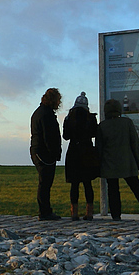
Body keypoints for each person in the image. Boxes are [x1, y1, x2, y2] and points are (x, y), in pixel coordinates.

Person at [97, 98, 139, 221]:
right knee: (136, 187)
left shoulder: (102, 126)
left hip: (109, 163)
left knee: (113, 190)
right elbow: (135, 143)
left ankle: (116, 215)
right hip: (127, 162)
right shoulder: (127, 123)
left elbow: (99, 148)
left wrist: (98, 165)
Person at [62, 92, 99, 221]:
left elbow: (65, 136)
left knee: (74, 184)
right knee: (87, 183)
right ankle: (89, 213)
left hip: (73, 151)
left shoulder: (68, 117)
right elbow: (95, 133)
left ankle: (74, 213)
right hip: (87, 151)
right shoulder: (91, 117)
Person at [30, 88, 63, 221]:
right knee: (45, 183)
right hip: (44, 153)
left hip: (38, 151)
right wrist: (54, 153)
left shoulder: (39, 113)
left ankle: (45, 210)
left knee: (44, 183)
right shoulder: (46, 114)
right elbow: (49, 137)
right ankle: (44, 212)